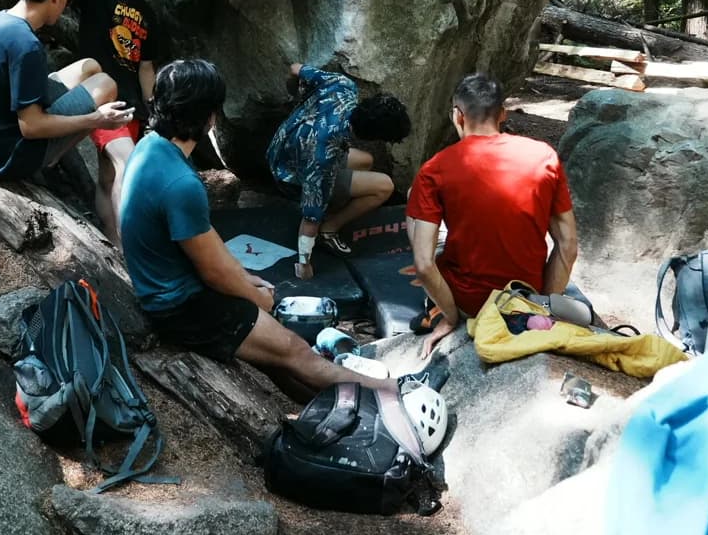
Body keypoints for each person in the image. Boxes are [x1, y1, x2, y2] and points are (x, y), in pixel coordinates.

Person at [118, 59, 400, 399]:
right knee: (296, 351)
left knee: (278, 355)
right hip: (180, 306)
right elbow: (215, 273)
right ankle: (393, 391)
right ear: (210, 116)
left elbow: (205, 242)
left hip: (167, 287)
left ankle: (321, 401)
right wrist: (257, 299)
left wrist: (244, 277)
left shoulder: (151, 146)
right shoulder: (182, 185)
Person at [407, 72, 579, 357]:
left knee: (416, 199)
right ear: (502, 114)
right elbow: (568, 245)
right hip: (522, 298)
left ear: (458, 116)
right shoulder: (544, 156)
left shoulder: (435, 169)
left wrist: (451, 318)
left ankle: (438, 311)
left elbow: (424, 265)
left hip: (469, 303)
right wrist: (540, 306)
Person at [41, 0, 169, 244]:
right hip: (101, 98)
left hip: (134, 105)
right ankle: (135, 252)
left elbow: (146, 66)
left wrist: (154, 112)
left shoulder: (150, 14)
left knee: (109, 178)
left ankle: (114, 246)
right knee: (130, 165)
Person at [0, 0, 134, 179]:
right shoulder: (27, 45)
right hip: (8, 157)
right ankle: (50, 159)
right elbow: (31, 127)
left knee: (89, 66)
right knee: (106, 85)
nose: (66, 4)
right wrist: (96, 119)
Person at [266, 63, 411, 278]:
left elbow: (295, 68)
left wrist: (294, 94)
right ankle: (330, 229)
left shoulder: (343, 85)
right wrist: (304, 265)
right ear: (372, 137)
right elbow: (310, 217)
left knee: (365, 161)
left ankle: (334, 206)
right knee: (384, 186)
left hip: (284, 148)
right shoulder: (324, 159)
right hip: (290, 176)